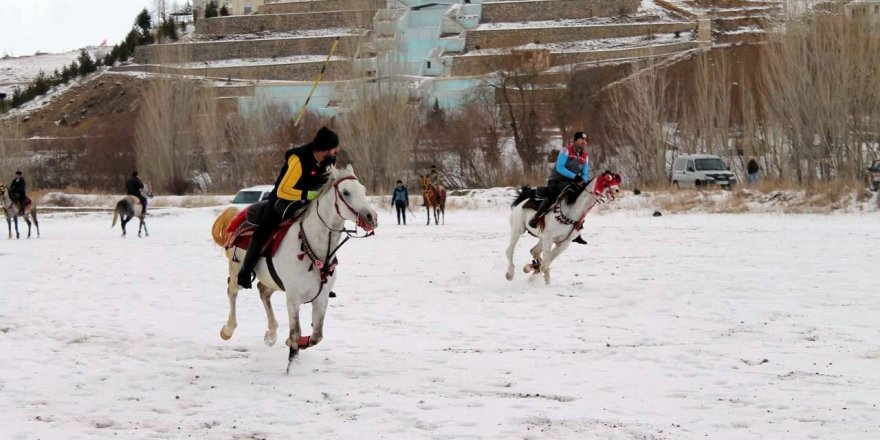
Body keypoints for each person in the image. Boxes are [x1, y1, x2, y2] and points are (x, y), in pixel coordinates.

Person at [237, 126, 340, 289]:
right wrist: (308, 195)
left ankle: (320, 282)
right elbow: (282, 190)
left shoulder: (330, 159)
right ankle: (245, 271)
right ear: (324, 149)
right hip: (283, 201)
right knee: (265, 229)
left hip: (310, 202)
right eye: (334, 149)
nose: (336, 152)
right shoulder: (299, 159)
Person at [528, 131, 589, 245]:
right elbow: (560, 168)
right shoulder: (566, 150)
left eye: (585, 140)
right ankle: (536, 218)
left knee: (580, 200)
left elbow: (585, 174)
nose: (584, 142)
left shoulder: (585, 156)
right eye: (581, 139)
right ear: (575, 140)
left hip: (572, 182)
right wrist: (575, 177)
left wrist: (583, 180)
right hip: (557, 179)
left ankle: (576, 231)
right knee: (553, 196)